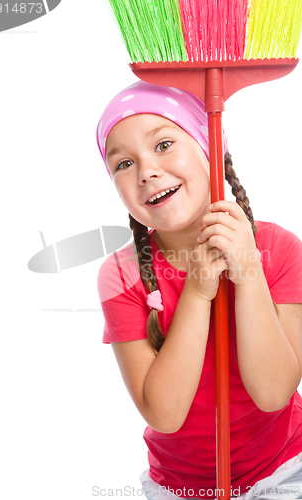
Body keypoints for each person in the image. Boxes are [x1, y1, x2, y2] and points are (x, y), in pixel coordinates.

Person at [96, 80, 302, 500]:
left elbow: (275, 392)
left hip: (283, 468)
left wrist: (246, 273)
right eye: (123, 164)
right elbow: (165, 415)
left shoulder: (279, 249)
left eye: (164, 144)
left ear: (211, 149)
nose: (147, 170)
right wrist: (196, 292)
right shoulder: (121, 274)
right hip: (178, 486)